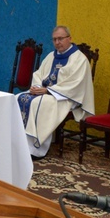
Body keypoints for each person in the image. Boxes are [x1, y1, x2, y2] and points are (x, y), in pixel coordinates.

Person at [17, 26, 95, 158]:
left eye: (60, 38)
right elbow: (38, 74)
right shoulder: (50, 56)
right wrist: (36, 87)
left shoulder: (79, 59)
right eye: (54, 39)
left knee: (40, 104)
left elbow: (75, 84)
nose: (57, 42)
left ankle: (35, 148)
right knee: (18, 98)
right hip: (47, 93)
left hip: (68, 97)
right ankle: (19, 143)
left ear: (69, 38)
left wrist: (47, 91)